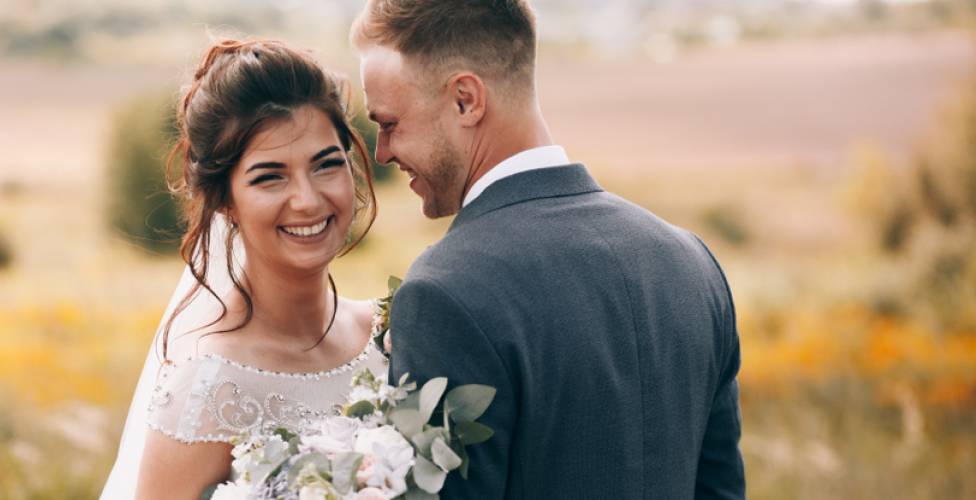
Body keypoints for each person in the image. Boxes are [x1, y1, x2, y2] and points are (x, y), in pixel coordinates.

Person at [351, 0, 745, 498]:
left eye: (389, 123)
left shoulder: (445, 293)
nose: (383, 152)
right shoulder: (692, 262)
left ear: (465, 100)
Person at [100, 39, 386, 499]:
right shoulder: (205, 390)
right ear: (226, 202)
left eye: (327, 165)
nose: (308, 200)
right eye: (269, 176)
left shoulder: (388, 339)